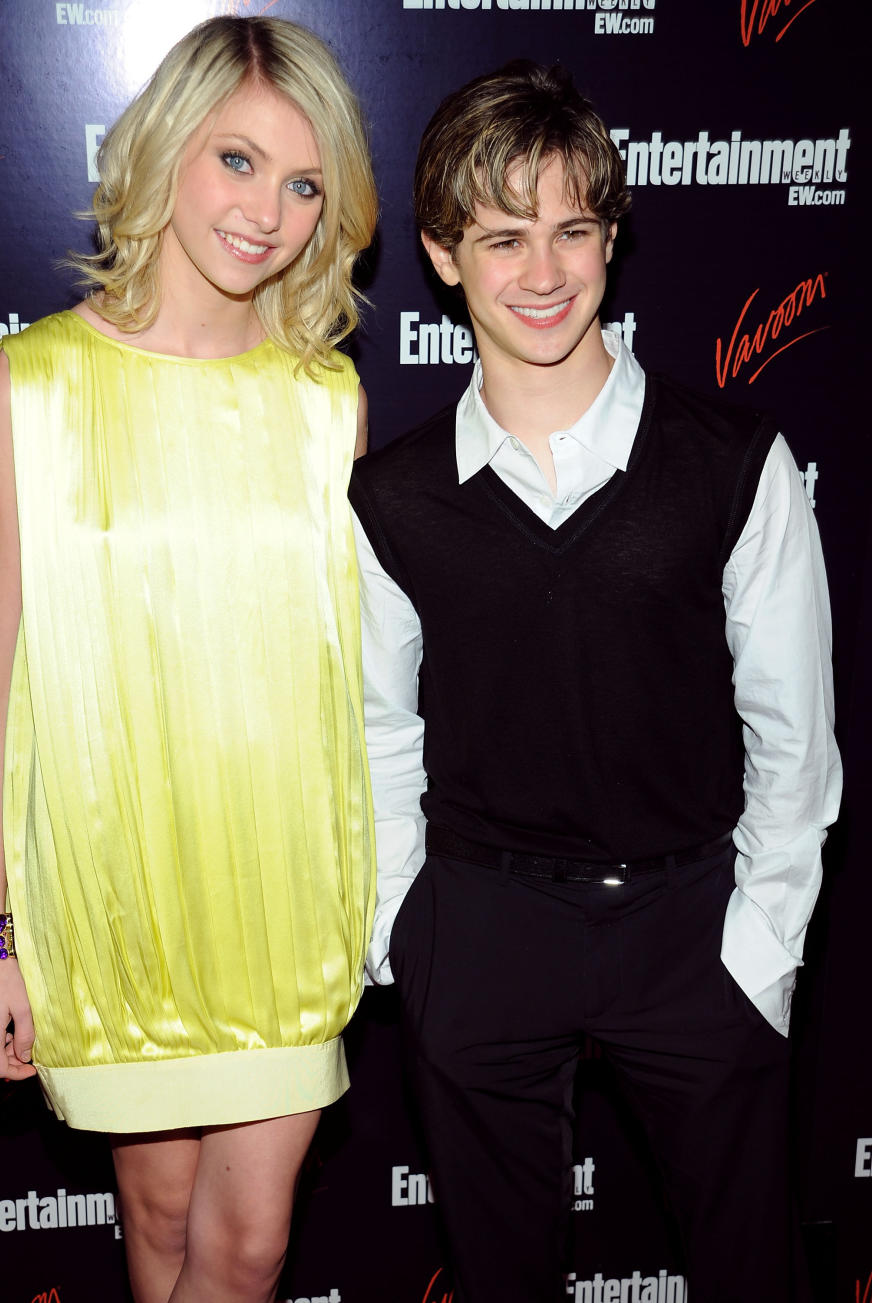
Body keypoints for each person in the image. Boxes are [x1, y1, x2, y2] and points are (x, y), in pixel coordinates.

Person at [350, 61, 840, 1303]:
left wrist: (762, 941)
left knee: (754, 1272)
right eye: (502, 236)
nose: (544, 270)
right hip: (483, 930)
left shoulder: (736, 462)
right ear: (443, 255)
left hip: (694, 928)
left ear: (613, 239)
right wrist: (411, 938)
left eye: (574, 229)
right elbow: (375, 734)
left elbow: (794, 735)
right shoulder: (394, 497)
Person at [0, 17, 377, 1303]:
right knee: (159, 1219)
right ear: (162, 152)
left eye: (305, 184)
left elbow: (350, 679)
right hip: (113, 893)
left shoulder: (326, 401)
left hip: (285, 908)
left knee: (245, 1251)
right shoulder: (30, 384)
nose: (269, 212)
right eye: (238, 161)